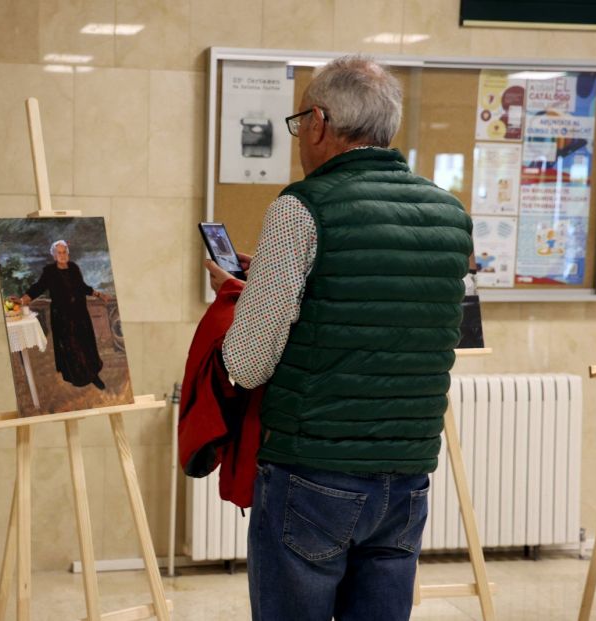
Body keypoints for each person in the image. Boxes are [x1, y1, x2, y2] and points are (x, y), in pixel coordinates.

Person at [205, 56, 473, 621]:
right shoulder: (449, 214)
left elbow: (248, 364)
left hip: (313, 474)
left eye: (300, 121)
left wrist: (237, 301)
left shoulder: (303, 207)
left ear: (320, 121)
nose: (299, 135)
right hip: (407, 477)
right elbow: (371, 300)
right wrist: (276, 280)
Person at [21, 240, 109, 390]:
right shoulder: (49, 271)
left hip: (80, 314)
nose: (62, 255)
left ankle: (92, 374)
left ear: (68, 253)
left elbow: (82, 287)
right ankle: (80, 376)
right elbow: (39, 287)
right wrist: (23, 299)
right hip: (63, 317)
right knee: (71, 346)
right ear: (54, 256)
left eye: (64, 252)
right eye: (59, 253)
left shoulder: (74, 268)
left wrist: (98, 294)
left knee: (85, 344)